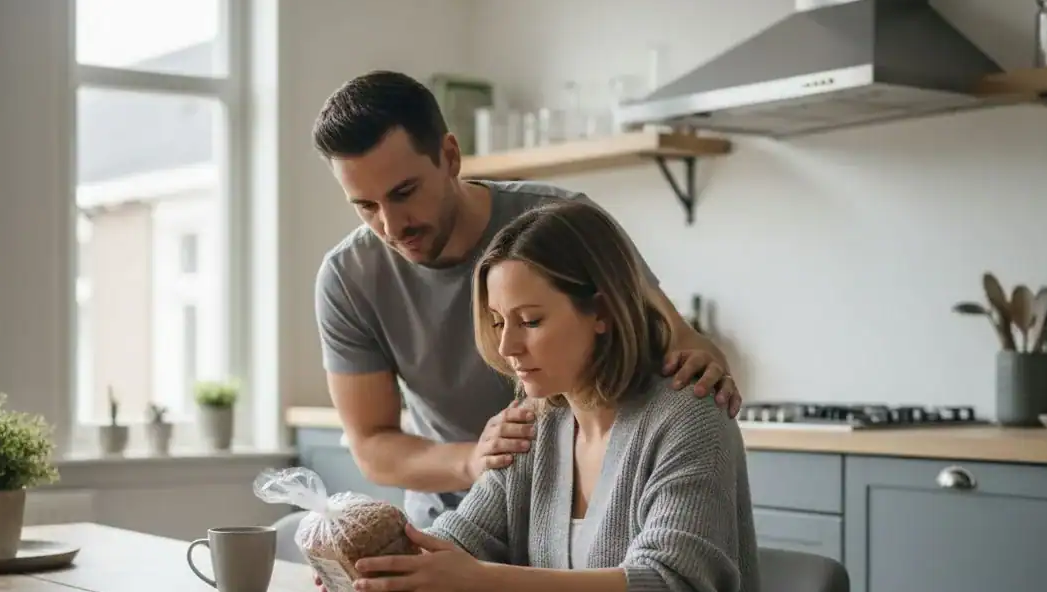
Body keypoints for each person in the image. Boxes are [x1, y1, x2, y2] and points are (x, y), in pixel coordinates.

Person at [347, 199, 794, 592]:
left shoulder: (688, 418)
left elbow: (668, 588)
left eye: (530, 320)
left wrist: (479, 583)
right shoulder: (535, 421)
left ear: (602, 313)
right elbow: (457, 542)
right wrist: (377, 563)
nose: (507, 346)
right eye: (498, 320)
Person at [311, 70, 744, 529]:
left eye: (405, 193)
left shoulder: (558, 224)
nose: (392, 226)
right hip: (459, 516)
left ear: (450, 157)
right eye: (366, 206)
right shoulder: (348, 278)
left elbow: (680, 343)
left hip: (583, 516)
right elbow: (373, 446)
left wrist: (705, 371)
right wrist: (474, 460)